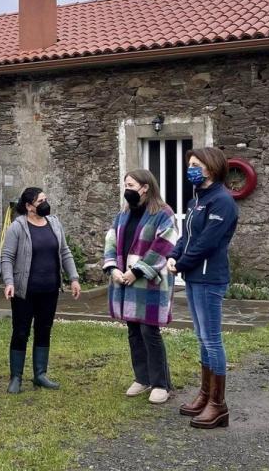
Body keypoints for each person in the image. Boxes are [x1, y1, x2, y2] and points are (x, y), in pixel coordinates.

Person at [166, 147, 238, 429]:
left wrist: (181, 263)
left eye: (195, 164)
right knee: (201, 338)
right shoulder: (198, 200)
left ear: (210, 167)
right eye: (190, 164)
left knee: (212, 339)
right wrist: (174, 254)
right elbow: (188, 235)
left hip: (210, 278)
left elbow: (207, 242)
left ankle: (218, 405)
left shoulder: (222, 202)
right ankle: (206, 395)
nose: (190, 169)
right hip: (195, 276)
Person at [103, 170, 179, 405]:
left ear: (145, 187)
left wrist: (136, 271)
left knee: (149, 331)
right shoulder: (123, 214)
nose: (126, 188)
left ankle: (160, 383)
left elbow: (164, 246)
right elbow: (111, 240)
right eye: (125, 184)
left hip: (149, 283)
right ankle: (142, 377)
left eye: (130, 184)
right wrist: (112, 267)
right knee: (133, 330)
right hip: (124, 281)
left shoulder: (163, 214)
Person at [0, 187, 81, 394]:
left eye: (46, 199)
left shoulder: (54, 223)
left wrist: (73, 278)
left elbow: (65, 251)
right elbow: (7, 257)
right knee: (21, 331)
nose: (45, 204)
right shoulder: (17, 227)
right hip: (24, 291)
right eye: (40, 201)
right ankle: (16, 377)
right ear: (28, 206)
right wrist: (9, 282)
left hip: (50, 289)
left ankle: (40, 374)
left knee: (44, 330)